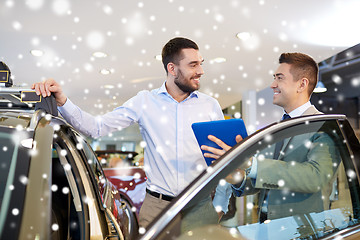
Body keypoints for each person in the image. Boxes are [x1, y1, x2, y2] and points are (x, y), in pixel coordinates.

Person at [32, 37, 225, 228]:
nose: (200, 71)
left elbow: (226, 158)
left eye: (201, 64)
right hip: (157, 209)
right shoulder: (145, 102)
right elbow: (96, 128)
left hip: (200, 206)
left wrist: (220, 205)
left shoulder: (210, 106)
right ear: (172, 69)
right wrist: (63, 101)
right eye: (193, 65)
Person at [201, 52, 340, 222]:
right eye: (274, 78)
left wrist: (252, 164)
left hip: (301, 230)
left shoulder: (323, 126)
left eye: (280, 78)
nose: (273, 85)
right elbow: (267, 179)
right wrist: (236, 177)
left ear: (302, 84)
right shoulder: (278, 129)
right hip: (267, 228)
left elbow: (316, 177)